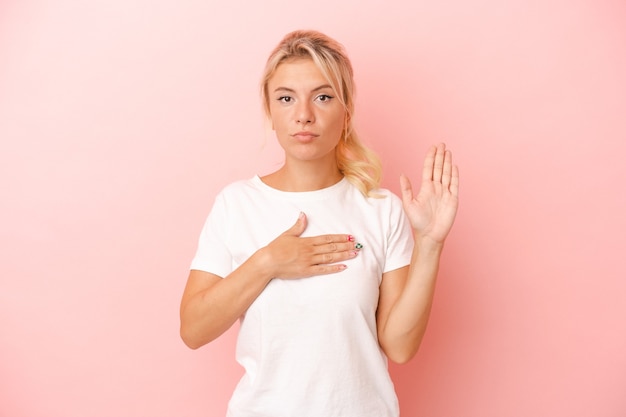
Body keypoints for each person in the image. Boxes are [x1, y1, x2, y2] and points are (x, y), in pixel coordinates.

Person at [180, 29, 459, 417]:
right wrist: (268, 263)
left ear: (345, 111)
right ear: (271, 112)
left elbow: (399, 346)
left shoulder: (382, 209)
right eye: (286, 98)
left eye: (323, 97)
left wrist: (429, 243)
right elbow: (193, 329)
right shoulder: (236, 204)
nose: (303, 115)